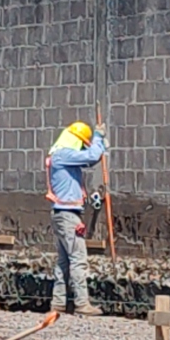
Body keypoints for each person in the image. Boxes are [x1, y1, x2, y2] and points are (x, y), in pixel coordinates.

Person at [45, 119, 107, 315]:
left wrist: (99, 144)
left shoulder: (59, 156)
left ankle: (58, 303)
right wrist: (98, 137)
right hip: (68, 215)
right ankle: (82, 303)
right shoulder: (64, 154)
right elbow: (92, 156)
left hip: (61, 213)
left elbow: (90, 156)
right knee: (78, 259)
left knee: (64, 262)